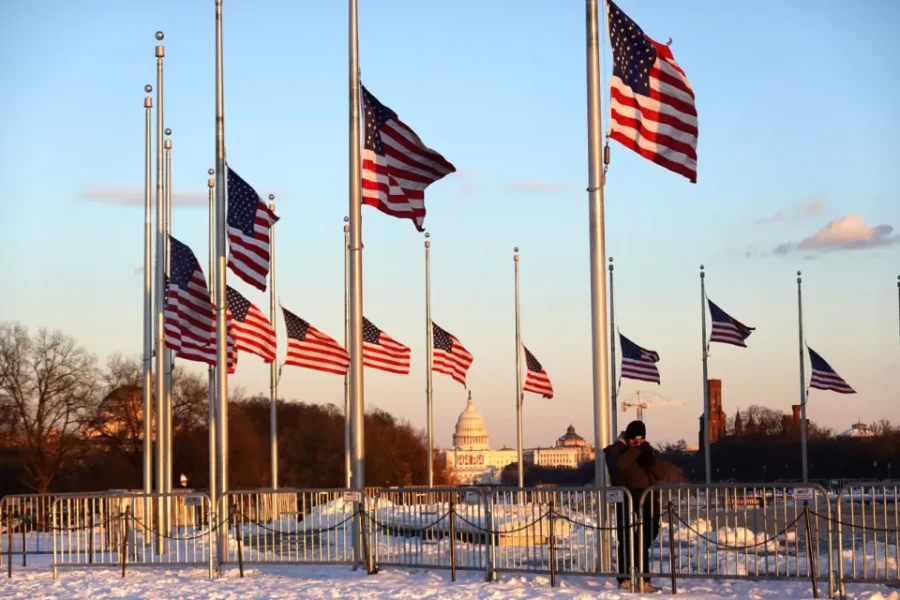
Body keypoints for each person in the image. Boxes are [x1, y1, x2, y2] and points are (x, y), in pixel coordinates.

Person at [604, 420, 667, 592]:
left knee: (646, 538)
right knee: (626, 539)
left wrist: (649, 459)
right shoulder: (615, 450)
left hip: (647, 500)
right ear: (628, 437)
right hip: (627, 500)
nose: (638, 442)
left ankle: (642, 579)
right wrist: (636, 451)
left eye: (641, 439)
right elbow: (618, 465)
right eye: (634, 439)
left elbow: (661, 473)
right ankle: (626, 578)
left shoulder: (647, 451)